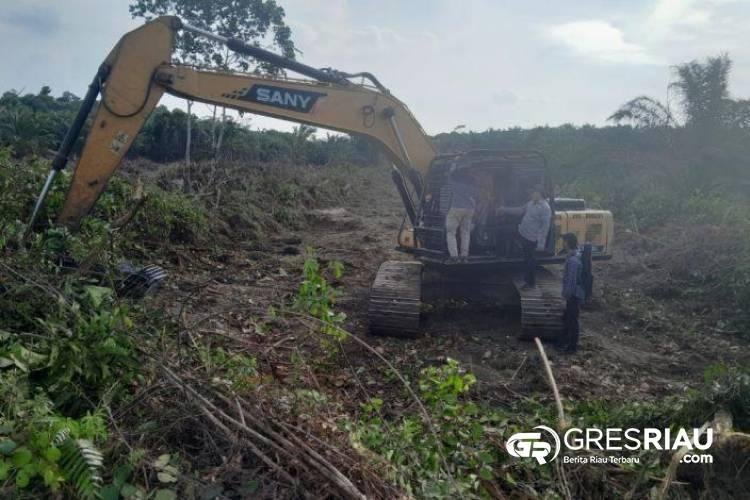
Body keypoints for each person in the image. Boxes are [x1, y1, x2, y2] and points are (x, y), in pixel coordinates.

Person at [498, 185, 551, 288]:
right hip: (522, 231)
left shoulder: (545, 207)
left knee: (529, 260)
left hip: (532, 237)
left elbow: (545, 226)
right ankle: (505, 253)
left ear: (539, 194)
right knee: (505, 230)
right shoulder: (530, 203)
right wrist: (504, 209)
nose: (531, 195)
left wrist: (541, 243)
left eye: (533, 193)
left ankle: (530, 283)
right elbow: (519, 210)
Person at [558, 233, 586, 354]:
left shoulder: (573, 261)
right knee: (568, 318)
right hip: (575, 294)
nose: (562, 243)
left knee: (572, 320)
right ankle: (564, 342)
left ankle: (572, 347)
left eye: (564, 241)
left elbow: (571, 280)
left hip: (574, 295)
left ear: (567, 242)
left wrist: (566, 295)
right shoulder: (574, 256)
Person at [445, 168, 478, 259]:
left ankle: (454, 257)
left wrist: (454, 164)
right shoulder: (473, 182)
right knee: (466, 233)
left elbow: (448, 177)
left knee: (451, 232)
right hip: (470, 209)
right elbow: (475, 194)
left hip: (456, 207)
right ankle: (464, 256)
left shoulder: (455, 181)